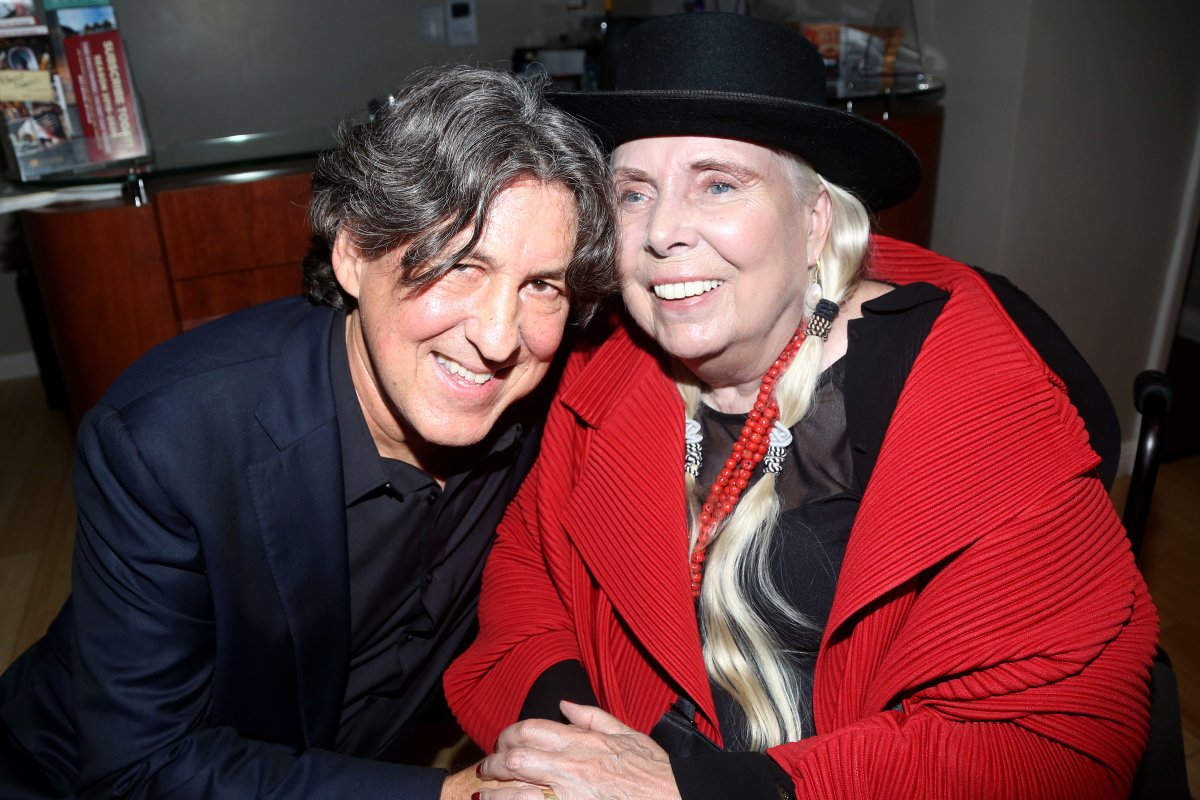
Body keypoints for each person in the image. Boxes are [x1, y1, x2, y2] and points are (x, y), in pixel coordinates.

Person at [445, 13, 1157, 799]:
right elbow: (527, 577)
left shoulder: (978, 411)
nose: (664, 232)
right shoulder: (598, 372)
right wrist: (570, 752)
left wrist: (695, 792)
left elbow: (1050, 745)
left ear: (816, 220)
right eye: (633, 193)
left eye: (719, 183)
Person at [0, 65, 615, 799]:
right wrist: (444, 796)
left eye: (541, 285)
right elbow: (139, 769)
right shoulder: (170, 442)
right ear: (353, 252)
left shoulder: (540, 406)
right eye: (459, 265)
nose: (496, 334)